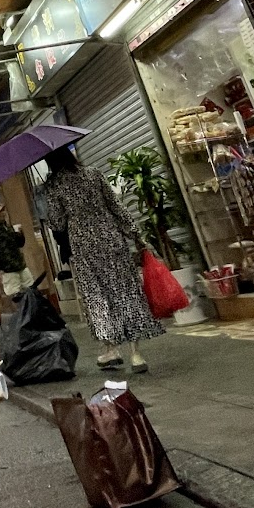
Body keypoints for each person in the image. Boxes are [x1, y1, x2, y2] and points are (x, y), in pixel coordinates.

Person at [41, 146, 163, 373]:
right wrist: (136, 236)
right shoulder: (93, 174)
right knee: (125, 292)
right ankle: (136, 355)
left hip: (84, 246)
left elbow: (57, 222)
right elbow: (116, 207)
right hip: (111, 239)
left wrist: (50, 205)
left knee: (97, 297)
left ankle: (111, 349)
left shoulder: (55, 185)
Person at [0, 205, 33, 298]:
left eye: (3, 211)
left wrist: (20, 234)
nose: (2, 213)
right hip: (7, 268)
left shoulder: (9, 227)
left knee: (31, 289)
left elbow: (20, 244)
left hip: (20, 264)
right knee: (15, 294)